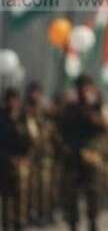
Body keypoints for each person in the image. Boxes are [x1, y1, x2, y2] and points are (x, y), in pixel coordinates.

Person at [57, 75, 108, 231]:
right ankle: (73, 223)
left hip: (91, 154)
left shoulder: (97, 106)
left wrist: (91, 112)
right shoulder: (70, 107)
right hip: (72, 155)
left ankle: (93, 222)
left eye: (88, 87)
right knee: (70, 192)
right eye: (83, 87)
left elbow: (104, 127)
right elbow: (61, 126)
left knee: (93, 191)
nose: (85, 90)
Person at [24, 81, 56, 227]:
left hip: (45, 154)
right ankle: (31, 213)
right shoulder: (25, 111)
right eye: (32, 92)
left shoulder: (46, 110)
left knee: (45, 186)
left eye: (37, 92)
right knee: (31, 187)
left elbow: (54, 127)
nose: (34, 95)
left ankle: (45, 213)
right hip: (30, 154)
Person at [0, 88, 32, 231]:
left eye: (15, 100)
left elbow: (30, 140)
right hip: (5, 163)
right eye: (10, 100)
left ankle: (19, 224)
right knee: (6, 198)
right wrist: (8, 158)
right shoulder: (2, 118)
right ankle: (6, 225)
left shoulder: (23, 118)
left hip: (21, 163)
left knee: (21, 196)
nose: (13, 103)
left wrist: (24, 157)